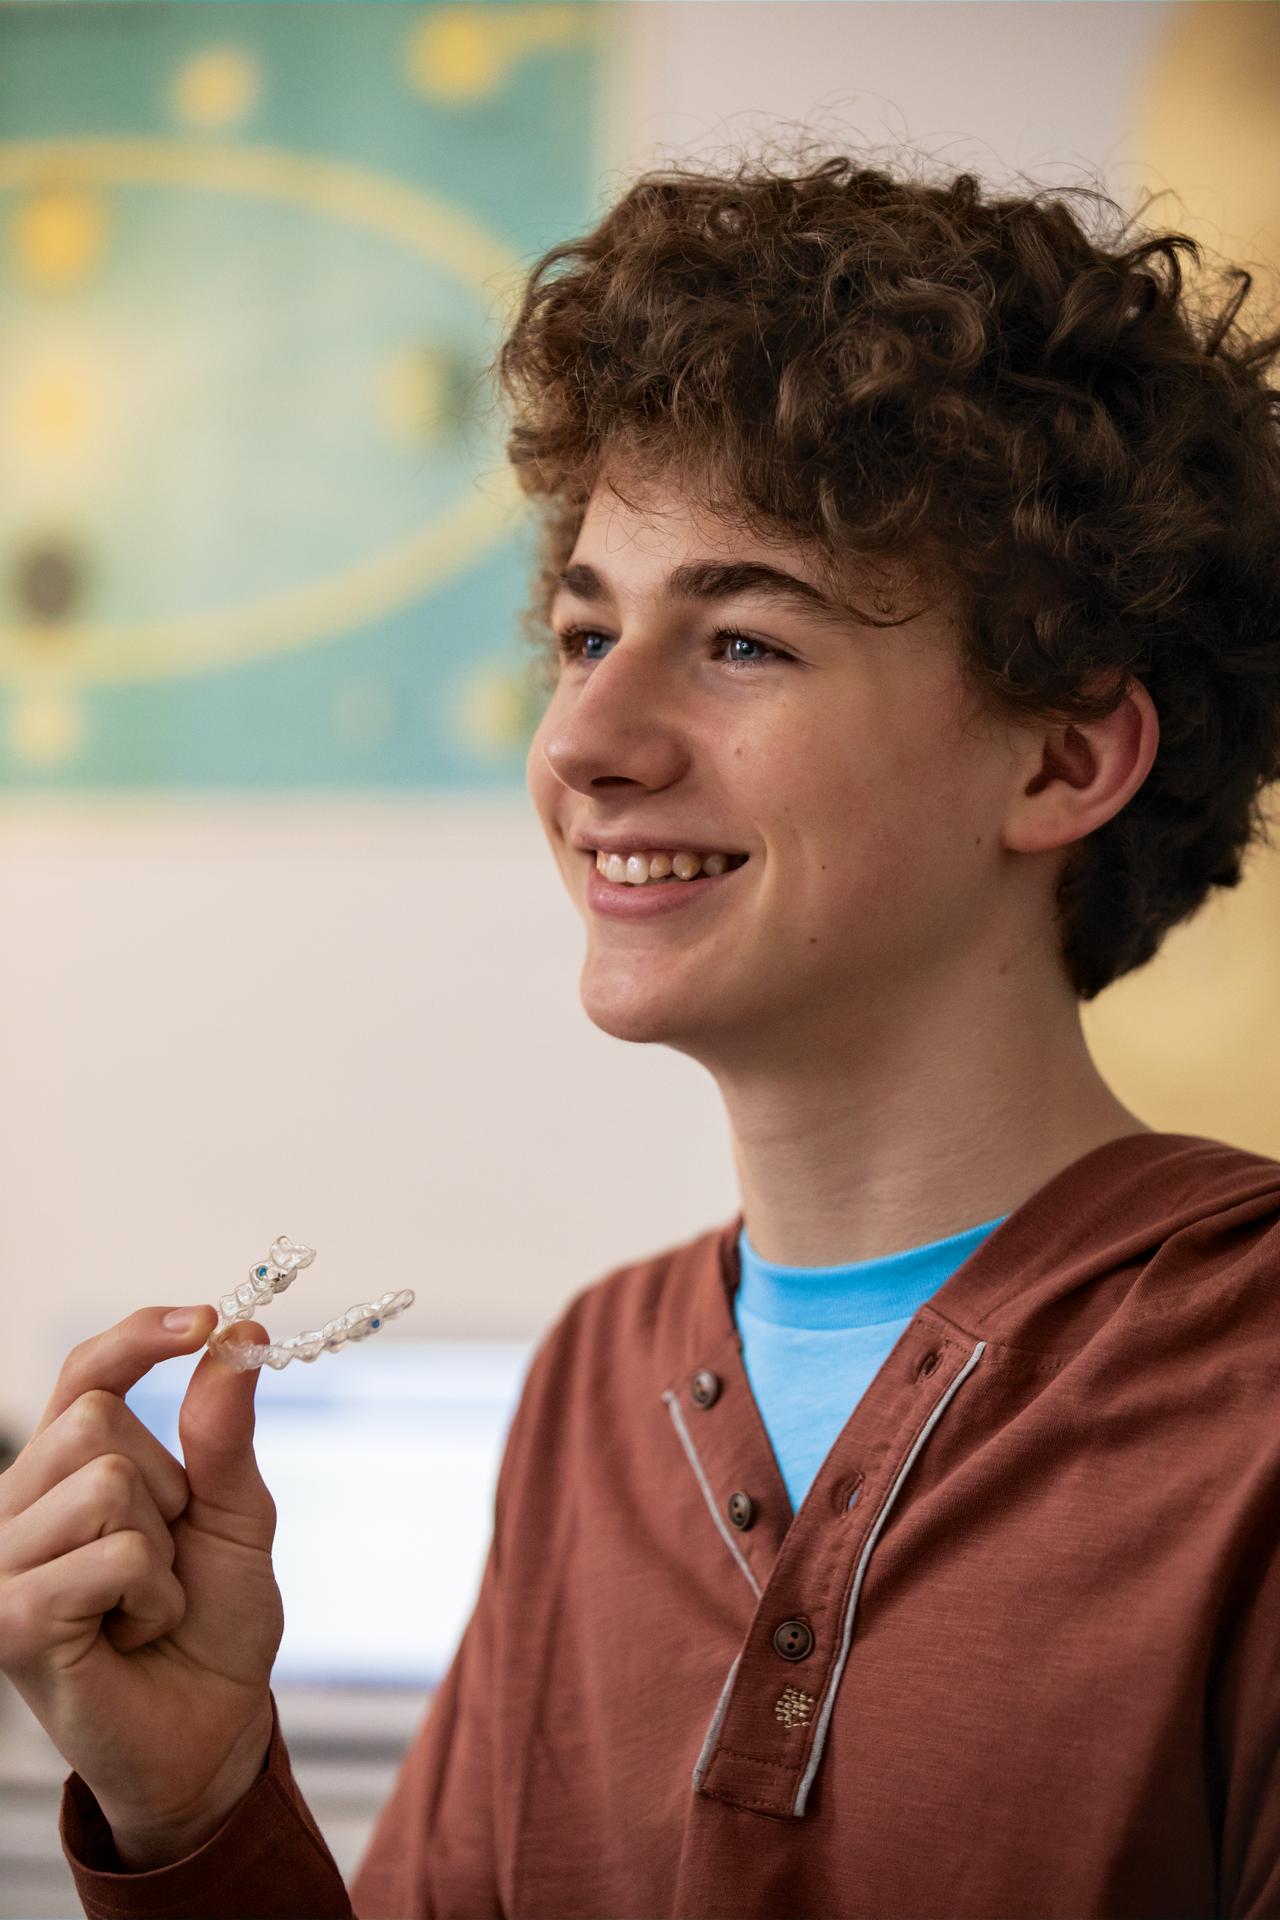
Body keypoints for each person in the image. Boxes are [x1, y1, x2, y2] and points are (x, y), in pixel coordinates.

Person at [3, 145, 1279, 1920]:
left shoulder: (1251, 1402)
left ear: (1062, 758)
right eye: (584, 633)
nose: (586, 741)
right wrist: (202, 1800)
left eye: (742, 640)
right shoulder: (599, 1383)